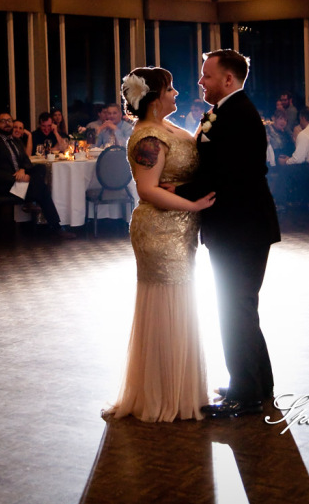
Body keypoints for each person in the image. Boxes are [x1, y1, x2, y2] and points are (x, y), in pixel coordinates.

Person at [106, 67, 216, 422]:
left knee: (181, 304)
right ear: (154, 98)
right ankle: (163, 394)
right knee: (168, 304)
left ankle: (181, 387)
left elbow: (188, 154)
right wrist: (194, 204)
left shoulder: (168, 128)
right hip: (159, 232)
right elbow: (148, 189)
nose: (176, 94)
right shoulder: (148, 138)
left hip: (181, 229)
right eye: (170, 89)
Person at [181, 49, 280, 419]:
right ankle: (258, 382)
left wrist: (176, 194)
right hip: (243, 224)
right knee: (241, 306)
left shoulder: (236, 115)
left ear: (227, 80)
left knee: (234, 307)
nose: (200, 82)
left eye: (206, 76)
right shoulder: (226, 112)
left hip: (239, 226)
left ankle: (244, 394)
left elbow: (224, 175)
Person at [0, 112, 74, 239]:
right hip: (8, 184)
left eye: (9, 120)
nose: (7, 123)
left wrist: (22, 171)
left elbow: (26, 161)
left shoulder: (16, 141)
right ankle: (57, 227)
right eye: (3, 121)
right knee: (42, 190)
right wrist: (17, 178)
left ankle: (34, 198)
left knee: (41, 167)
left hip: (22, 180)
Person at [277, 107, 309, 208]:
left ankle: (280, 202)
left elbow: (298, 159)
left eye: (300, 120)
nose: (300, 122)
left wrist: (286, 161)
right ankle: (303, 199)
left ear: (303, 118)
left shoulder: (304, 134)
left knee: (284, 169)